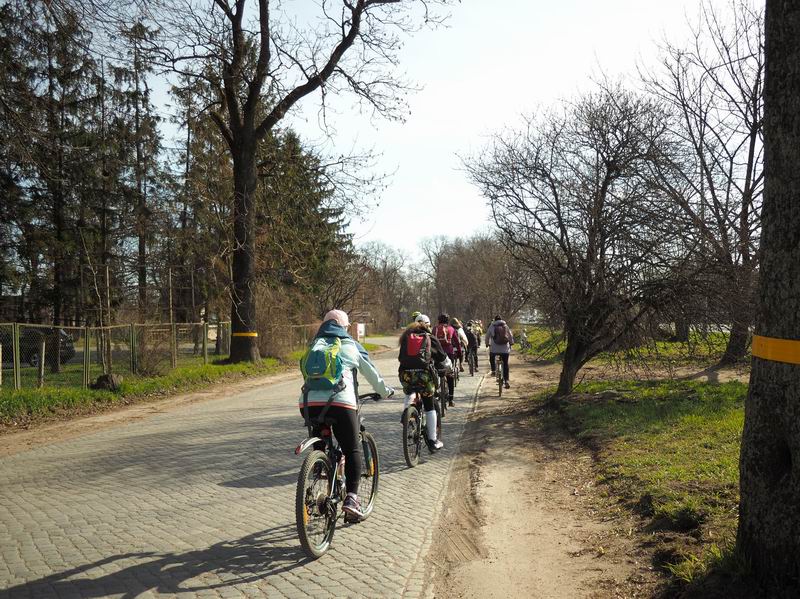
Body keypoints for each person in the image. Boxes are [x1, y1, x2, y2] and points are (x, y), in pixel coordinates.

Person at [298, 309, 394, 521]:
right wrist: (385, 392)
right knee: (352, 449)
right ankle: (351, 498)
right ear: (345, 327)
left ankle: (319, 464)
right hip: (341, 404)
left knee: (322, 434)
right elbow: (371, 373)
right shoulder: (350, 344)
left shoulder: (314, 345)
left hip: (309, 404)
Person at [398, 314, 451, 450]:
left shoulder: (405, 337)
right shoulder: (429, 337)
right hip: (424, 376)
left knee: (409, 391)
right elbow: (442, 357)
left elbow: (400, 358)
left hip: (405, 375)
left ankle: (406, 412)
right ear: (428, 325)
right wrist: (449, 367)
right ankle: (433, 440)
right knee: (429, 405)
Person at [433, 314, 461, 406]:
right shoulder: (451, 329)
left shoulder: (434, 329)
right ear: (447, 321)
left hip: (437, 354)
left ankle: (435, 392)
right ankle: (451, 400)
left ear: (438, 321)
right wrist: (460, 354)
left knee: (434, 372)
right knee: (450, 375)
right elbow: (457, 342)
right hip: (449, 354)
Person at [485, 315, 514, 389]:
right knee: (505, 364)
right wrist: (511, 343)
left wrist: (487, 343)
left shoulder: (492, 326)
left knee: (491, 357)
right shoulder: (505, 326)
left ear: (494, 320)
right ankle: (506, 380)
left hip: (495, 349)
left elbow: (487, 336)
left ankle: (493, 370)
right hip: (505, 349)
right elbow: (510, 336)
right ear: (501, 319)